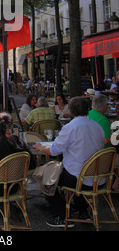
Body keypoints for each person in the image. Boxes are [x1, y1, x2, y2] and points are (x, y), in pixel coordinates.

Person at [34, 97, 105, 227]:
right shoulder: (97, 126)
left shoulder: (70, 127)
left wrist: (42, 148)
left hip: (79, 178)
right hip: (99, 177)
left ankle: (61, 215)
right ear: (88, 109)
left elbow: (54, 151)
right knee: (71, 172)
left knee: (47, 178)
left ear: (71, 111)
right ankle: (82, 210)